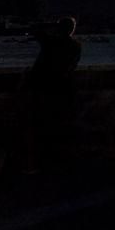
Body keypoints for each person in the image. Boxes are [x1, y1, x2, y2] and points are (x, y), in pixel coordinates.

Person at [22, 17, 82, 174]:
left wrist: (48, 24)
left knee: (38, 126)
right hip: (62, 89)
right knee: (58, 126)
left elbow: (34, 29)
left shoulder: (50, 42)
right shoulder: (75, 46)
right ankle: (56, 162)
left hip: (43, 88)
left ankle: (37, 164)